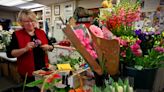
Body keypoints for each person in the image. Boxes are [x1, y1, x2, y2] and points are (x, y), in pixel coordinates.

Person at [6, 9, 54, 88]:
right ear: (21, 22)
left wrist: (48, 47)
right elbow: (10, 54)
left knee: (44, 88)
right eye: (26, 21)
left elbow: (51, 46)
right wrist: (25, 49)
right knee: (32, 89)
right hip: (28, 72)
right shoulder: (17, 34)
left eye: (32, 21)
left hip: (43, 69)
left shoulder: (41, 32)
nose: (30, 23)